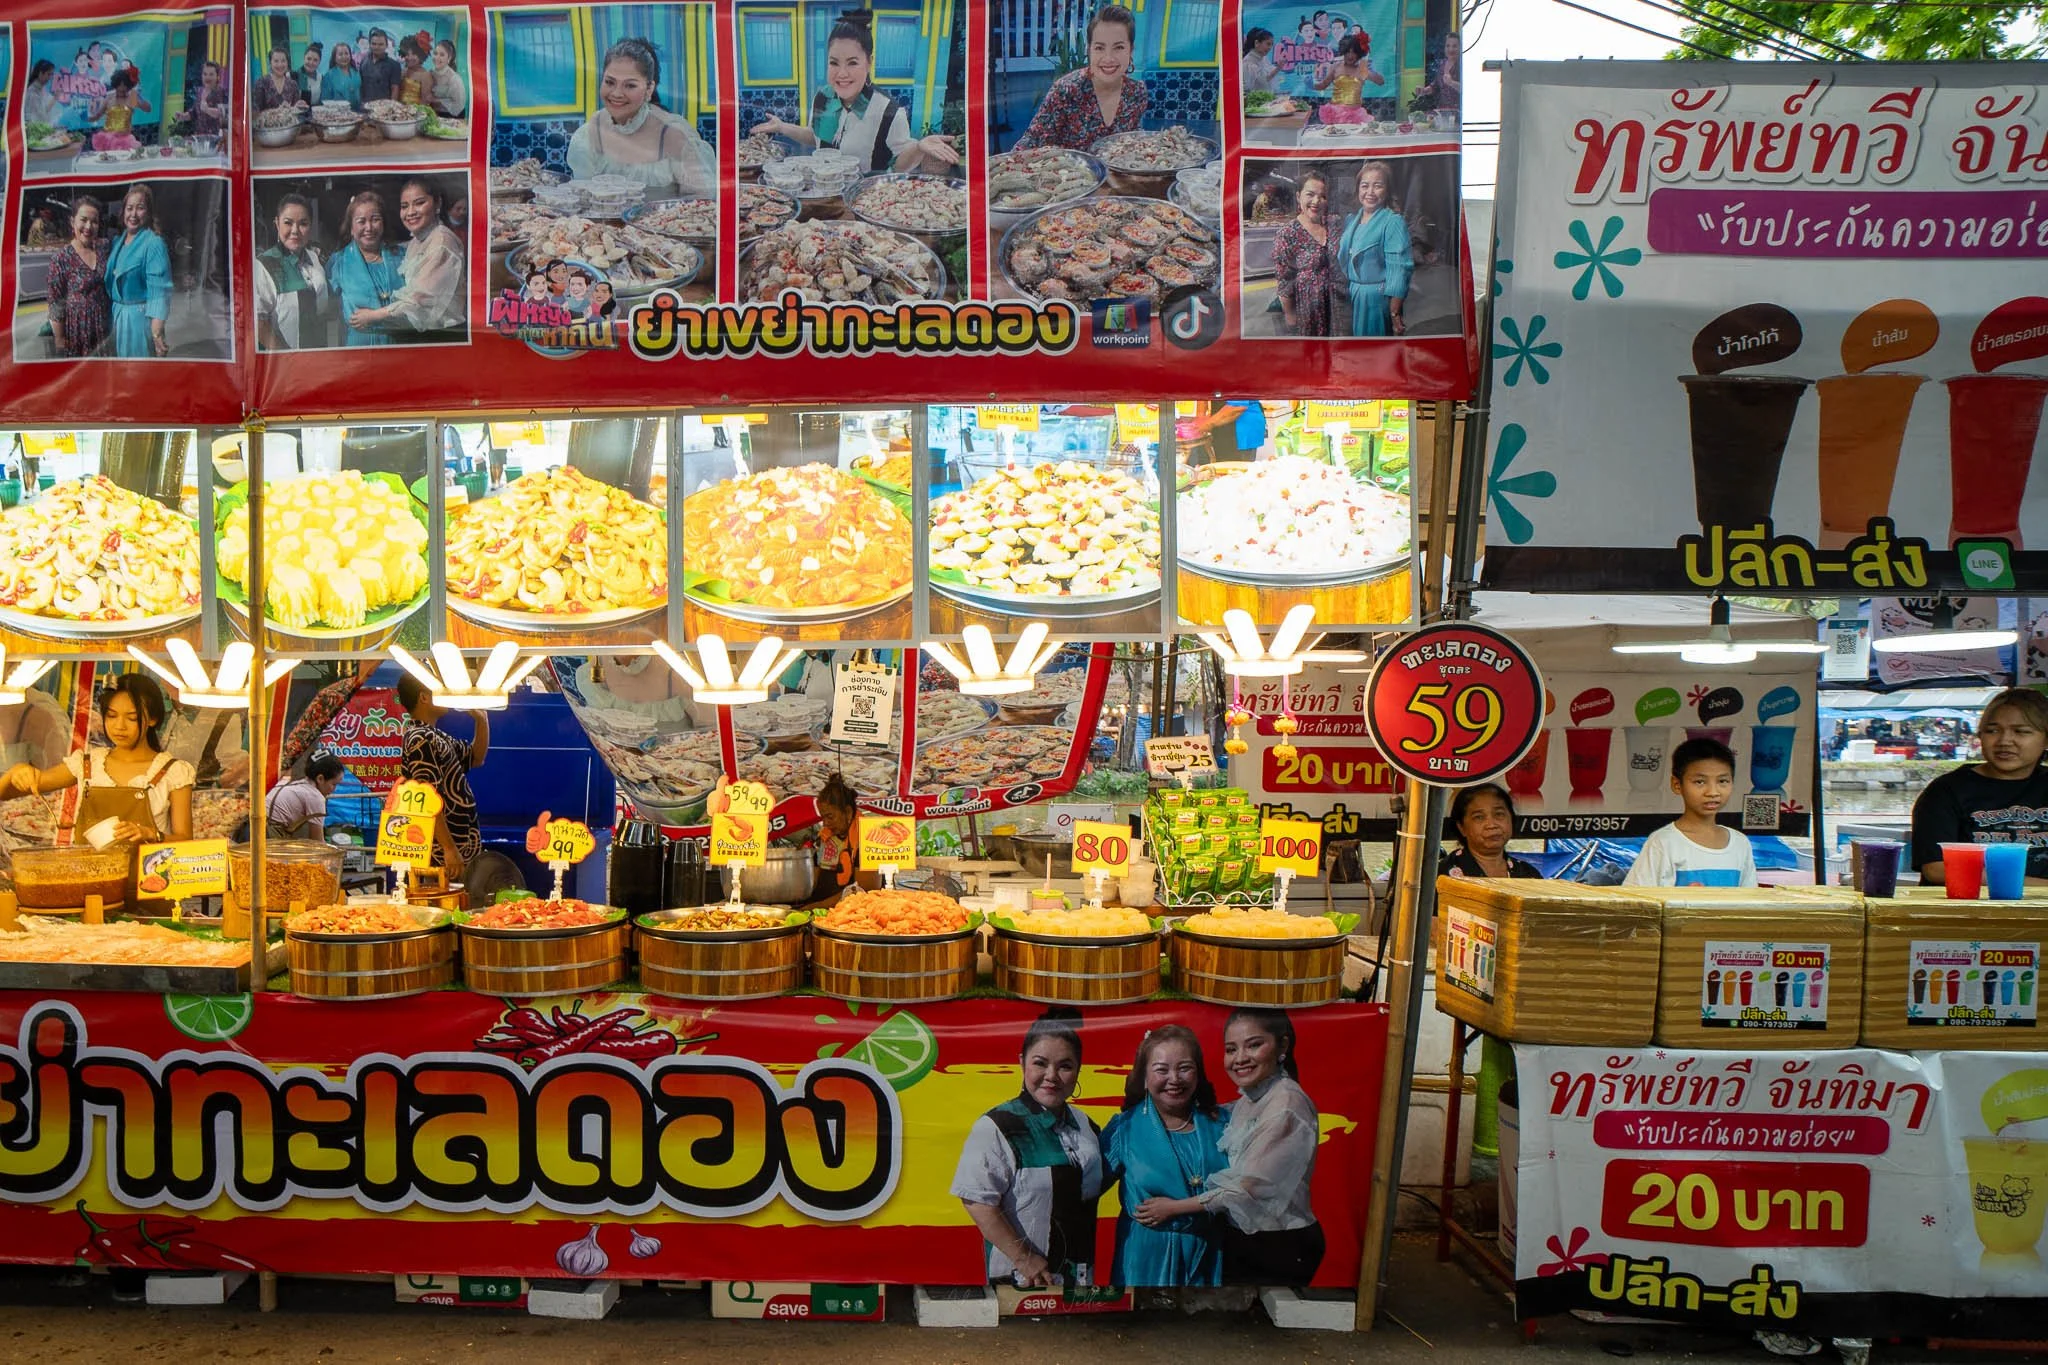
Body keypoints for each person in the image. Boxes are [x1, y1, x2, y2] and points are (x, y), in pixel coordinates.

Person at [952, 1007, 1104, 1288]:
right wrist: (1024, 1258)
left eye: (1065, 1066)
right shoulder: (997, 1126)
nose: (1052, 1075)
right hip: (1021, 1280)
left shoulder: (1087, 1126)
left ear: (1078, 1069)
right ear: (1022, 1063)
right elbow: (977, 1201)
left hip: (1079, 1280)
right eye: (1040, 1063)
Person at [1201, 1008, 1323, 1285]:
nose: (1240, 1058)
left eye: (1254, 1045)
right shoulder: (1250, 1098)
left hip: (1280, 1243)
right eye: (1231, 1049)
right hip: (1249, 1239)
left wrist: (1173, 1208)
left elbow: (1249, 1188)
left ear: (1282, 1045)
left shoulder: (1287, 1104)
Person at [751, 11, 956, 174]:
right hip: (824, 194)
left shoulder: (889, 111)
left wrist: (919, 147)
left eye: (852, 63)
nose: (842, 73)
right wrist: (782, 126)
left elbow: (900, 164)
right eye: (834, 63)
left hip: (865, 203)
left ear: (869, 62)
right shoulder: (823, 97)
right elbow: (815, 137)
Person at [1101, 1025, 1229, 1286]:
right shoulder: (1124, 1129)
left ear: (1198, 1073)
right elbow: (1085, 1191)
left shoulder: (1223, 1125)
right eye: (1161, 1069)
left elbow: (1246, 1188)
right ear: (1144, 1077)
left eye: (1184, 1068)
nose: (1174, 1079)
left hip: (1212, 1251)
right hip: (1146, 1255)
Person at [2, 674, 194, 845]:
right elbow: (14, 789)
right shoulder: (87, 764)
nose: (119, 726)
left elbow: (185, 840)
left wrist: (151, 834)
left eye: (132, 718)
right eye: (111, 716)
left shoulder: (173, 771)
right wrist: (15, 773)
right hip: (91, 878)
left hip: (149, 878)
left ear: (153, 719)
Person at [1912, 687, 2048, 884]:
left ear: (2045, 739)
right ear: (1980, 737)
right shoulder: (1947, 790)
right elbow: (1936, 868)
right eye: (1992, 730)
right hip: (1969, 908)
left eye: (2021, 732)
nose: (2004, 741)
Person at [567, 37, 715, 197]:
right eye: (609, 82)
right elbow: (582, 202)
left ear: (649, 88)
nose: (616, 93)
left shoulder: (675, 134)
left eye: (630, 85)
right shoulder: (587, 135)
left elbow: (702, 202)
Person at [392, 673, 495, 887]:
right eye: (440, 690)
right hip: (439, 853)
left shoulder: (436, 736)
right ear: (424, 697)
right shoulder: (421, 738)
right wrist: (448, 848)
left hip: (458, 847)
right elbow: (428, 797)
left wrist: (481, 719)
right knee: (442, 906)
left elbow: (476, 757)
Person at [1623, 736, 1757, 888]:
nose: (1713, 792)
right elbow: (1638, 900)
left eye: (1722, 781)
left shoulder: (1740, 843)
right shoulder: (1663, 843)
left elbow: (1751, 904)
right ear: (1676, 784)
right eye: (1700, 782)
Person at [1013, 5, 1148, 151]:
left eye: (1119, 47)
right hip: (1069, 172)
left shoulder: (1136, 92)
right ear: (1088, 50)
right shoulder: (1067, 90)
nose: (1108, 58)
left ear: (1131, 50)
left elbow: (1135, 141)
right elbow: (1030, 144)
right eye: (1099, 48)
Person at [346, 177, 465, 340]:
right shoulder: (416, 241)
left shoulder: (442, 242)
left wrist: (373, 315)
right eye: (404, 206)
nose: (410, 212)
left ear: (437, 204)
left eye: (419, 203)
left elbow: (419, 299)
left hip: (441, 336)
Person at [1337, 160, 1410, 336]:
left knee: (1375, 354)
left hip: (1377, 300)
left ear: (1387, 190)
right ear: (1358, 189)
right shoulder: (1351, 220)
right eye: (1365, 186)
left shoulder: (1393, 222)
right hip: (1354, 295)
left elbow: (1399, 269)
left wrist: (1394, 312)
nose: (1370, 192)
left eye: (1377, 186)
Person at [255, 193, 333, 352]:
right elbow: (258, 322)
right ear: (277, 224)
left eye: (303, 223)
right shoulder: (265, 264)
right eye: (288, 223)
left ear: (311, 226)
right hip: (283, 364)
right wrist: (286, 359)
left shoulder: (315, 258)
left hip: (317, 357)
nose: (295, 230)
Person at [328, 190, 405, 347]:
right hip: (358, 351)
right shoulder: (337, 262)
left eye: (375, 219)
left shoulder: (403, 256)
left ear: (383, 223)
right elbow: (327, 310)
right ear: (351, 228)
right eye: (361, 221)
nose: (369, 227)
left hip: (401, 347)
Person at [106, 185, 172, 359]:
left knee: (138, 377)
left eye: (140, 208)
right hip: (117, 318)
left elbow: (160, 292)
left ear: (149, 212)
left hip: (139, 322)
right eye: (129, 208)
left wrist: (157, 333)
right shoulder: (118, 241)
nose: (133, 214)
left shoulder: (153, 243)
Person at [1272, 166, 1338, 337]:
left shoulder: (1334, 224)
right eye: (1310, 194)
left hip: (1337, 306)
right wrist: (1290, 316)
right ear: (1298, 196)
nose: (1316, 201)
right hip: (1308, 310)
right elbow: (1285, 280)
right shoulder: (1287, 233)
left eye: (1322, 196)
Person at [46, 196, 111, 359]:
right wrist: (59, 338)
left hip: (104, 328)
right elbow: (55, 302)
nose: (88, 226)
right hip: (77, 333)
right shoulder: (61, 258)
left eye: (94, 221)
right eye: (83, 220)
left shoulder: (104, 248)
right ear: (72, 221)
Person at [1438, 783, 1542, 879]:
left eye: (1499, 814)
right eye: (1479, 817)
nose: (1491, 825)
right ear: (1462, 828)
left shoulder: (1529, 875)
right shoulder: (1442, 875)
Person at [808, 772, 878, 904]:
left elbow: (866, 891)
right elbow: (814, 878)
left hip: (850, 912)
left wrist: (820, 906)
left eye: (830, 817)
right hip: (819, 909)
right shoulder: (823, 838)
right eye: (823, 817)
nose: (826, 823)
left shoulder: (869, 840)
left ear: (848, 812)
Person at [265, 751, 345, 840]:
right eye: (334, 784)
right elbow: (317, 841)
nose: (334, 789)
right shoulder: (315, 797)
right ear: (320, 779)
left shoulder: (298, 783)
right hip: (268, 832)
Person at [1311, 33, 1382, 124]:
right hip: (1336, 115)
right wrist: (1312, 84)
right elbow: (1323, 85)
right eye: (1347, 52)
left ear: (1359, 54)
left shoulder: (1362, 69)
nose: (1350, 55)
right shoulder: (1336, 67)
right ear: (1343, 52)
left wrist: (1368, 70)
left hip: (1356, 116)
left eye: (1353, 52)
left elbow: (1381, 82)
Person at [96, 68, 153, 150]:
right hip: (109, 139)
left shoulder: (131, 96)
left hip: (126, 140)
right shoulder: (109, 97)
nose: (122, 88)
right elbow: (98, 114)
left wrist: (137, 98)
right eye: (119, 85)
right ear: (115, 85)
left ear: (128, 86)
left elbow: (148, 109)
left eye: (124, 85)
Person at [180, 61, 228, 139]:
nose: (207, 77)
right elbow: (194, 113)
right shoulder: (200, 91)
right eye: (205, 74)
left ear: (217, 76)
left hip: (215, 139)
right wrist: (184, 116)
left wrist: (207, 110)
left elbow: (222, 113)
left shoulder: (221, 92)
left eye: (211, 74)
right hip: (199, 137)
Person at [254, 46, 307, 117]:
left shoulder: (293, 84)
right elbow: (255, 112)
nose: (280, 65)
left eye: (283, 61)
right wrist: (278, 111)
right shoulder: (261, 82)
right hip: (267, 126)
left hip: (289, 126)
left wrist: (298, 106)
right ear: (270, 63)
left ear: (287, 62)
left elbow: (295, 111)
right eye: (276, 61)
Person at [359, 28, 402, 105]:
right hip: (365, 108)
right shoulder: (363, 62)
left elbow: (395, 89)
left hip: (383, 110)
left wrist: (391, 108)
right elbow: (360, 86)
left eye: (380, 44)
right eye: (374, 44)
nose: (377, 47)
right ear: (370, 44)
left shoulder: (394, 65)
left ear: (386, 45)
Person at [429, 39, 468, 118]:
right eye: (435, 53)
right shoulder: (430, 73)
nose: (437, 57)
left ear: (449, 58)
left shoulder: (454, 79)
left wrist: (435, 100)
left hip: (452, 117)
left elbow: (458, 105)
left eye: (442, 55)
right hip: (434, 115)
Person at [321, 41, 362, 109]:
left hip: (357, 113)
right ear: (334, 57)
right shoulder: (329, 76)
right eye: (340, 54)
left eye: (346, 53)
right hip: (337, 115)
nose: (344, 57)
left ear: (350, 55)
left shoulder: (356, 73)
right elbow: (325, 100)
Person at [23, 60, 63, 130]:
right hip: (32, 130)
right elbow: (40, 116)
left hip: (38, 128)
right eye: (48, 74)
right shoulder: (32, 91)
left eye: (51, 75)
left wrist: (55, 98)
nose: (50, 78)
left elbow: (44, 110)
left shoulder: (41, 89)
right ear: (40, 73)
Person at [1241, 29, 1281, 95]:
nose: (1270, 48)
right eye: (1268, 44)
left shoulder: (1264, 58)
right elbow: (1263, 80)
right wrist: (1278, 68)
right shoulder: (1248, 61)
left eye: (1271, 45)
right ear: (1257, 43)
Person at [396, 36, 432, 106]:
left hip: (415, 113)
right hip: (399, 111)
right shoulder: (403, 71)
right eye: (407, 54)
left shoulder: (425, 75)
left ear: (421, 56)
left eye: (414, 54)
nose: (409, 58)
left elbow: (424, 102)